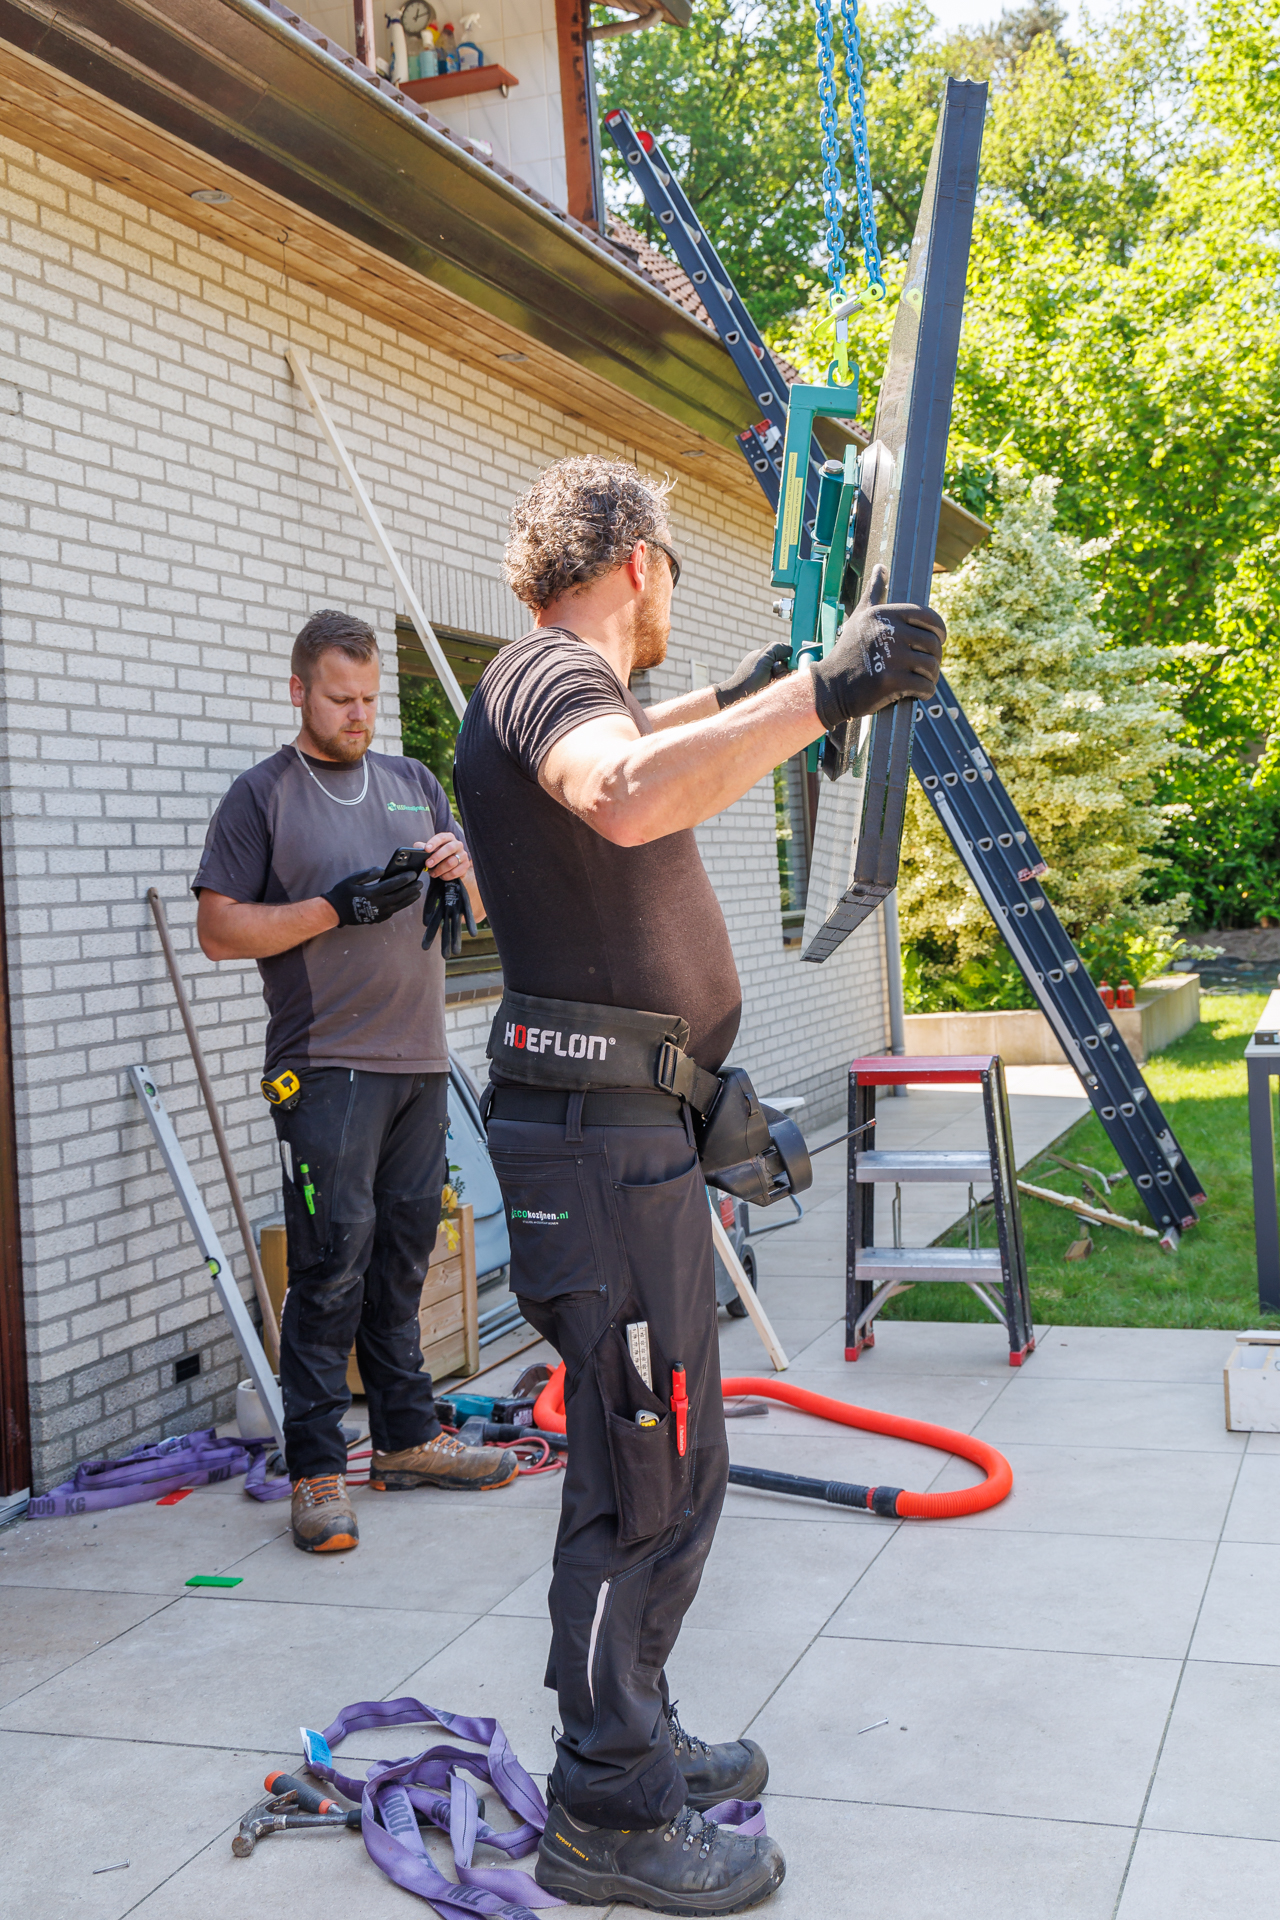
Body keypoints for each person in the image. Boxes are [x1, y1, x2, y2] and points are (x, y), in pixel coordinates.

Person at [454, 456, 944, 1914]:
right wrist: (819, 700)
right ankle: (605, 1805)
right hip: (599, 1155)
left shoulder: (560, 687)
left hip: (627, 1142)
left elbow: (640, 749)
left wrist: (734, 703)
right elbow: (616, 790)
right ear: (643, 567)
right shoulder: (548, 674)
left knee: (666, 1457)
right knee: (642, 1468)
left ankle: (633, 1726)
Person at [192, 609, 518, 1555]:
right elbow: (219, 931)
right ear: (299, 691)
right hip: (322, 1065)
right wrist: (329, 911)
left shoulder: (415, 784)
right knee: (330, 1261)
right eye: (342, 699)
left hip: (418, 1059)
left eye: (372, 699)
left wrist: (464, 873)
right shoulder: (263, 798)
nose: (361, 715)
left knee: (406, 1253)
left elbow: (485, 909)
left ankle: (409, 1440)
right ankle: (318, 1470)